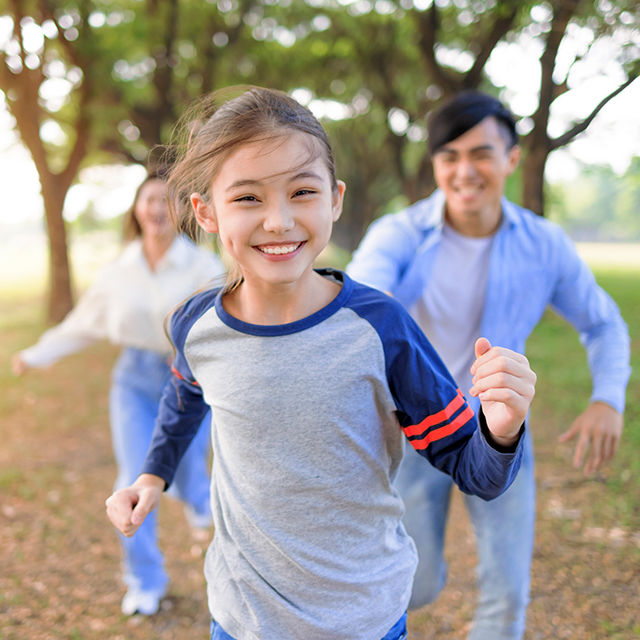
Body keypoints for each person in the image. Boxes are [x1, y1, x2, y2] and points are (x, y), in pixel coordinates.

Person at [105, 87, 536, 640]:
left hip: (364, 620)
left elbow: (472, 467)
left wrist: (500, 430)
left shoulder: (381, 329)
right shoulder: (198, 325)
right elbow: (185, 394)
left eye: (301, 192)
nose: (279, 221)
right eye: (248, 199)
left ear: (333, 199)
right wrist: (153, 474)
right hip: (241, 620)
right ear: (206, 211)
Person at [346, 91, 631, 640]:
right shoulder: (399, 234)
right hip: (417, 430)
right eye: (448, 156)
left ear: (512, 160)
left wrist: (607, 398)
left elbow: (603, 323)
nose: (464, 170)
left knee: (506, 597)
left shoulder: (544, 243)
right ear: (434, 165)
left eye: (481, 153)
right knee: (415, 583)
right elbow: (361, 302)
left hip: (500, 433)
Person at [13, 170, 225, 616]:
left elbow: (223, 326)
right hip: (133, 380)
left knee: (186, 473)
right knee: (133, 477)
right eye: (147, 199)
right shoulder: (120, 269)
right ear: (136, 208)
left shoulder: (204, 268)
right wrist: (38, 354)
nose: (154, 208)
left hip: (187, 380)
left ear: (181, 210)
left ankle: (196, 497)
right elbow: (83, 322)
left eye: (164, 200)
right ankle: (145, 579)